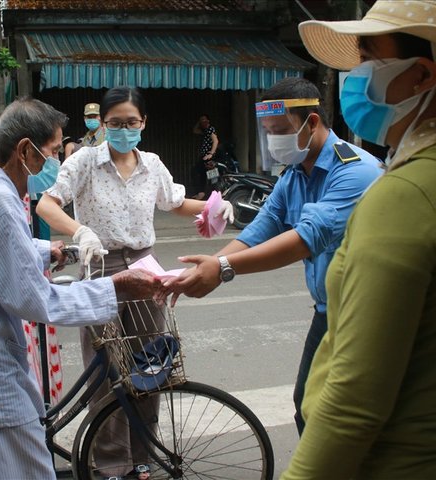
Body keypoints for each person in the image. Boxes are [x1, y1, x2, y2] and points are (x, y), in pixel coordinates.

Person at [0, 97, 162, 480]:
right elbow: (36, 299)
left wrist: (47, 250)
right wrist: (115, 287)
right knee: (31, 467)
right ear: (25, 151)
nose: (55, 160)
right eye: (53, 151)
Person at [162, 77, 383, 435]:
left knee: (350, 416)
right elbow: (263, 226)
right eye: (268, 132)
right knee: (307, 405)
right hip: (328, 312)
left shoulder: (356, 171)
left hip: (370, 316)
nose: (273, 141)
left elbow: (304, 240)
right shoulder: (294, 174)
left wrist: (222, 268)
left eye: (280, 131)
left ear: (312, 122)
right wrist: (212, 265)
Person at [36, 86, 233, 479]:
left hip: (146, 271)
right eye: (115, 123)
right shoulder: (85, 162)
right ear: (103, 124)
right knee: (105, 374)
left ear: (143, 123)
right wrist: (79, 232)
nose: (123, 130)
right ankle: (112, 464)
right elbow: (46, 202)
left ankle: (143, 456)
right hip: (100, 268)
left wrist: (216, 204)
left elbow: (175, 202)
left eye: (131, 122)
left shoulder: (152, 165)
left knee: (149, 368)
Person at [280, 2, 436, 478]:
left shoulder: (404, 191)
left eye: (369, 58)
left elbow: (354, 401)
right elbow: (265, 223)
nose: (355, 76)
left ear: (422, 75)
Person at [191, 114, 219, 199]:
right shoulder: (205, 130)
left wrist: (211, 154)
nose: (202, 121)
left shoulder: (210, 129)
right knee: (201, 173)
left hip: (209, 157)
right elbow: (195, 130)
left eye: (204, 119)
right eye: (201, 120)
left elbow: (215, 141)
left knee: (212, 176)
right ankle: (202, 193)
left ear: (208, 120)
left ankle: (214, 194)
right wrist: (199, 122)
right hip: (204, 156)